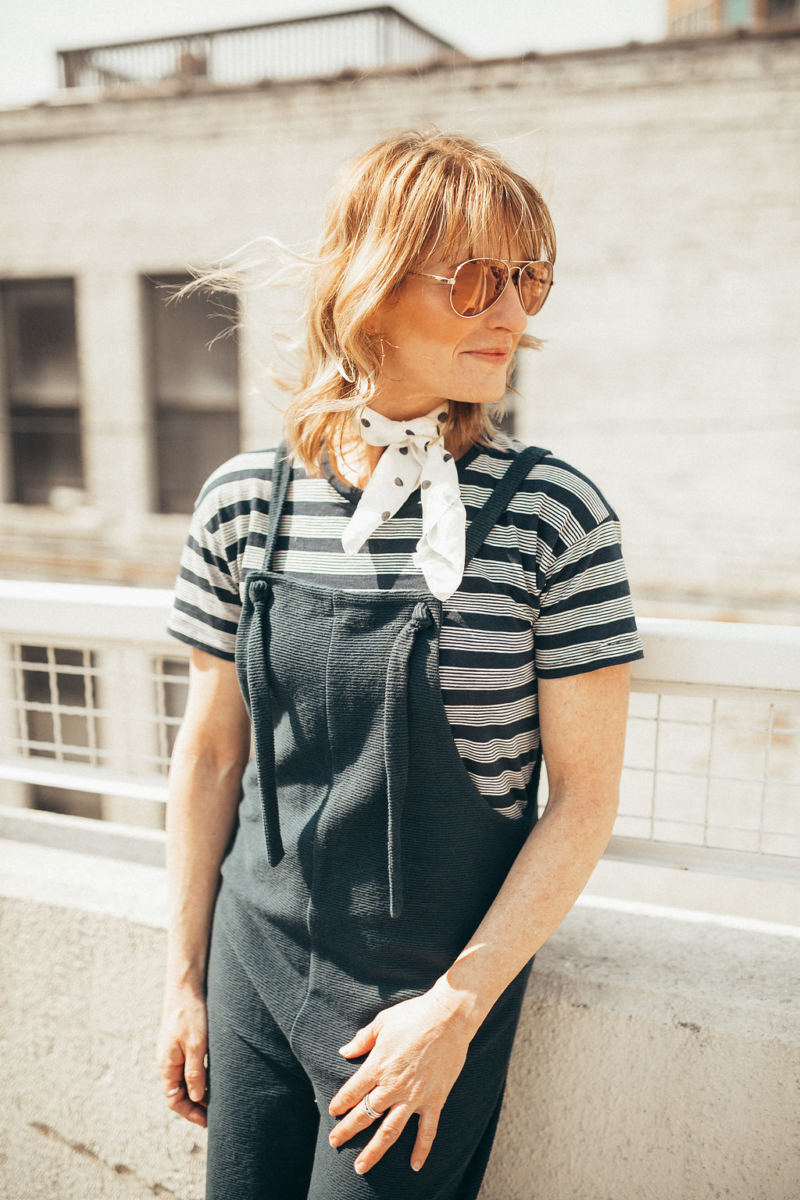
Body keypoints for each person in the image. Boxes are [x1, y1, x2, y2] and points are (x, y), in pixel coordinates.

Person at [157, 129, 645, 1200]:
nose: (512, 316)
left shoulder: (550, 514)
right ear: (369, 286)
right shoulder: (245, 500)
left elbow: (583, 800)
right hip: (249, 962)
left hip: (425, 995)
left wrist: (452, 1010)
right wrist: (183, 980)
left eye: (527, 280)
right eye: (473, 280)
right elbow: (208, 759)